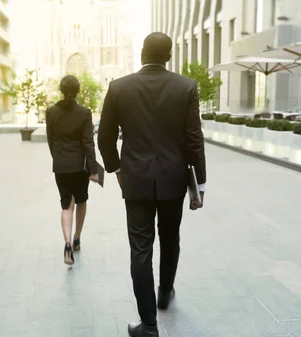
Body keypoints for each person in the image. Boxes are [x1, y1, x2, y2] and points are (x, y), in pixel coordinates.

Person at [98, 32, 207, 337]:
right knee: (170, 238)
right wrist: (201, 184)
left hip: (135, 179)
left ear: (142, 53)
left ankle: (148, 325)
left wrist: (116, 169)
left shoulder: (119, 87)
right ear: (169, 56)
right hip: (174, 178)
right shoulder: (186, 87)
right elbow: (194, 138)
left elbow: (104, 138)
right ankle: (165, 291)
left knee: (140, 249)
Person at [46, 75, 99, 265]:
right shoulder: (84, 112)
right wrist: (93, 169)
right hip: (79, 166)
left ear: (61, 89)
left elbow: (51, 141)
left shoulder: (51, 112)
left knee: (66, 204)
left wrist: (59, 158)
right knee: (82, 200)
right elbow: (88, 143)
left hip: (61, 166)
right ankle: (77, 237)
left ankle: (67, 243)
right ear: (77, 91)